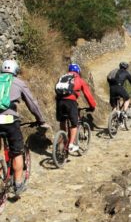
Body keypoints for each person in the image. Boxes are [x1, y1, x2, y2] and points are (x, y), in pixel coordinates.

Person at [0, 60, 49, 195]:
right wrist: (40, 120)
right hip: (9, 120)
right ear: (15, 70)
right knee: (17, 151)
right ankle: (18, 184)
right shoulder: (18, 82)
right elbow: (32, 104)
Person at [56, 63, 96, 153]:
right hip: (70, 102)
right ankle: (71, 145)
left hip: (59, 101)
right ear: (78, 71)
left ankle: (62, 138)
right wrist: (92, 106)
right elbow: (87, 95)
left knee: (62, 121)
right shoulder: (79, 80)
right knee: (74, 123)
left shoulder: (62, 77)